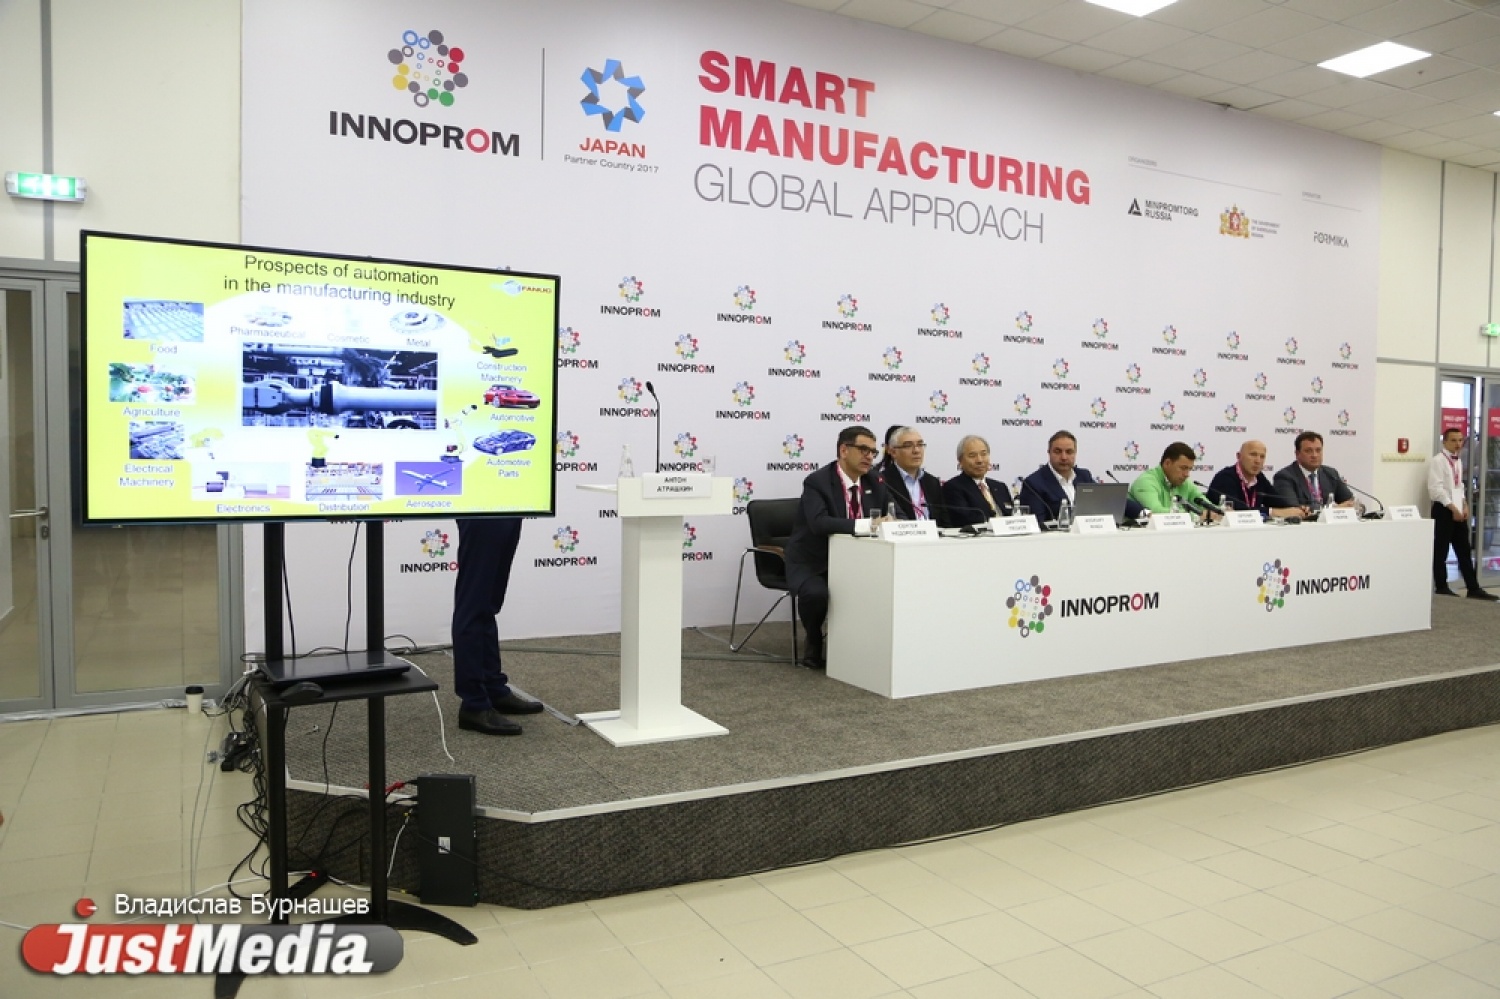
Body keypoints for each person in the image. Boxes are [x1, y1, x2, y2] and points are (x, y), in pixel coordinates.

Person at [784, 425, 889, 669]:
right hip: (815, 561)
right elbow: (819, 523)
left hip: (860, 561)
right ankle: (813, 638)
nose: (869, 457)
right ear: (844, 450)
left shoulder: (876, 481)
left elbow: (896, 513)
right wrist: (868, 525)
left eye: (873, 452)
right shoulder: (817, 482)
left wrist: (894, 521)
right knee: (816, 594)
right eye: (863, 450)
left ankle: (872, 644)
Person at [451, 518, 545, 735]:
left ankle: (493, 689)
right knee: (474, 603)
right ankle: (474, 703)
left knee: (488, 602)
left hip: (510, 505)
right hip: (481, 507)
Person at [1428, 428, 1499, 600]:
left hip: (1458, 507)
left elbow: (1459, 486)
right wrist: (1453, 508)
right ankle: (1441, 586)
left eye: (1460, 440)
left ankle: (1473, 587)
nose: (1458, 444)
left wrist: (1464, 505)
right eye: (1453, 440)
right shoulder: (1438, 461)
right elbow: (1435, 490)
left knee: (1464, 549)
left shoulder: (1458, 461)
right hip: (1443, 509)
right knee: (1441, 550)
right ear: (1444, 442)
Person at [1018, 430, 1142, 526]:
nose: (1064, 457)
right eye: (1058, 451)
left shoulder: (1084, 476)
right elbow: (1038, 525)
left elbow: (1110, 500)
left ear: (1075, 453)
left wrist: (1143, 513)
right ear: (1049, 452)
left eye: (1069, 452)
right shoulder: (1034, 483)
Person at [1207, 440, 1306, 519]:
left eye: (1262, 456)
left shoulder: (1259, 478)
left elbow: (1277, 502)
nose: (1258, 461)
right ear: (1239, 456)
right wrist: (1273, 512)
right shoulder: (1225, 477)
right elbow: (1236, 511)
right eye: (1253, 454)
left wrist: (1296, 509)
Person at [1129, 442, 1220, 518]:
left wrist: (1218, 512)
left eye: (1189, 469)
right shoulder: (1146, 482)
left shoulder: (1185, 483)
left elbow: (1208, 506)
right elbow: (1155, 513)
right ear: (1167, 463)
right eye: (1183, 468)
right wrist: (1197, 516)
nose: (1187, 474)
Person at [879, 426, 950, 524]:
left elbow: (944, 521)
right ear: (893, 452)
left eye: (920, 445)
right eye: (908, 446)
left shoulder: (932, 482)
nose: (916, 450)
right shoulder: (882, 481)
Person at [1272, 432, 1355, 513]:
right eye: (1308, 451)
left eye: (1318, 450)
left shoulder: (1331, 474)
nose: (1314, 455)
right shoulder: (1284, 477)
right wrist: (1333, 510)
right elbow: (1293, 510)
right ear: (1297, 454)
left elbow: (1350, 502)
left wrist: (1350, 506)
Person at [942, 434, 1013, 525]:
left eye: (983, 454)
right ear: (960, 461)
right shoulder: (953, 487)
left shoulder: (1000, 487)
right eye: (972, 456)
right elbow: (965, 519)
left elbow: (1012, 515)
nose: (979, 460)